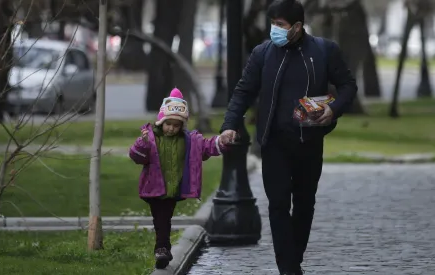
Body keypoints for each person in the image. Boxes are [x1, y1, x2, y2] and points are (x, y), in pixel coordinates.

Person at [218, 0, 358, 274]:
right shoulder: (262, 53)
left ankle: (294, 260)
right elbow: (243, 91)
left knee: (305, 204)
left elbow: (348, 86)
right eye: (272, 24)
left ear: (297, 27)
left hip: (310, 142)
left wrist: (333, 109)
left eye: (280, 25)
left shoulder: (324, 50)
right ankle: (289, 269)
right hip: (274, 144)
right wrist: (229, 124)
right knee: (279, 205)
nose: (274, 30)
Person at [129, 88, 225, 269]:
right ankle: (162, 249)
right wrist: (142, 144)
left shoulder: (190, 141)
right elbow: (136, 157)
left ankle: (162, 249)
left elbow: (206, 147)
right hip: (153, 188)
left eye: (176, 125)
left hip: (172, 189)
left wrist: (222, 141)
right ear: (161, 121)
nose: (171, 128)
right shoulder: (150, 138)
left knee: (164, 219)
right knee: (161, 219)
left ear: (182, 125)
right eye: (168, 124)